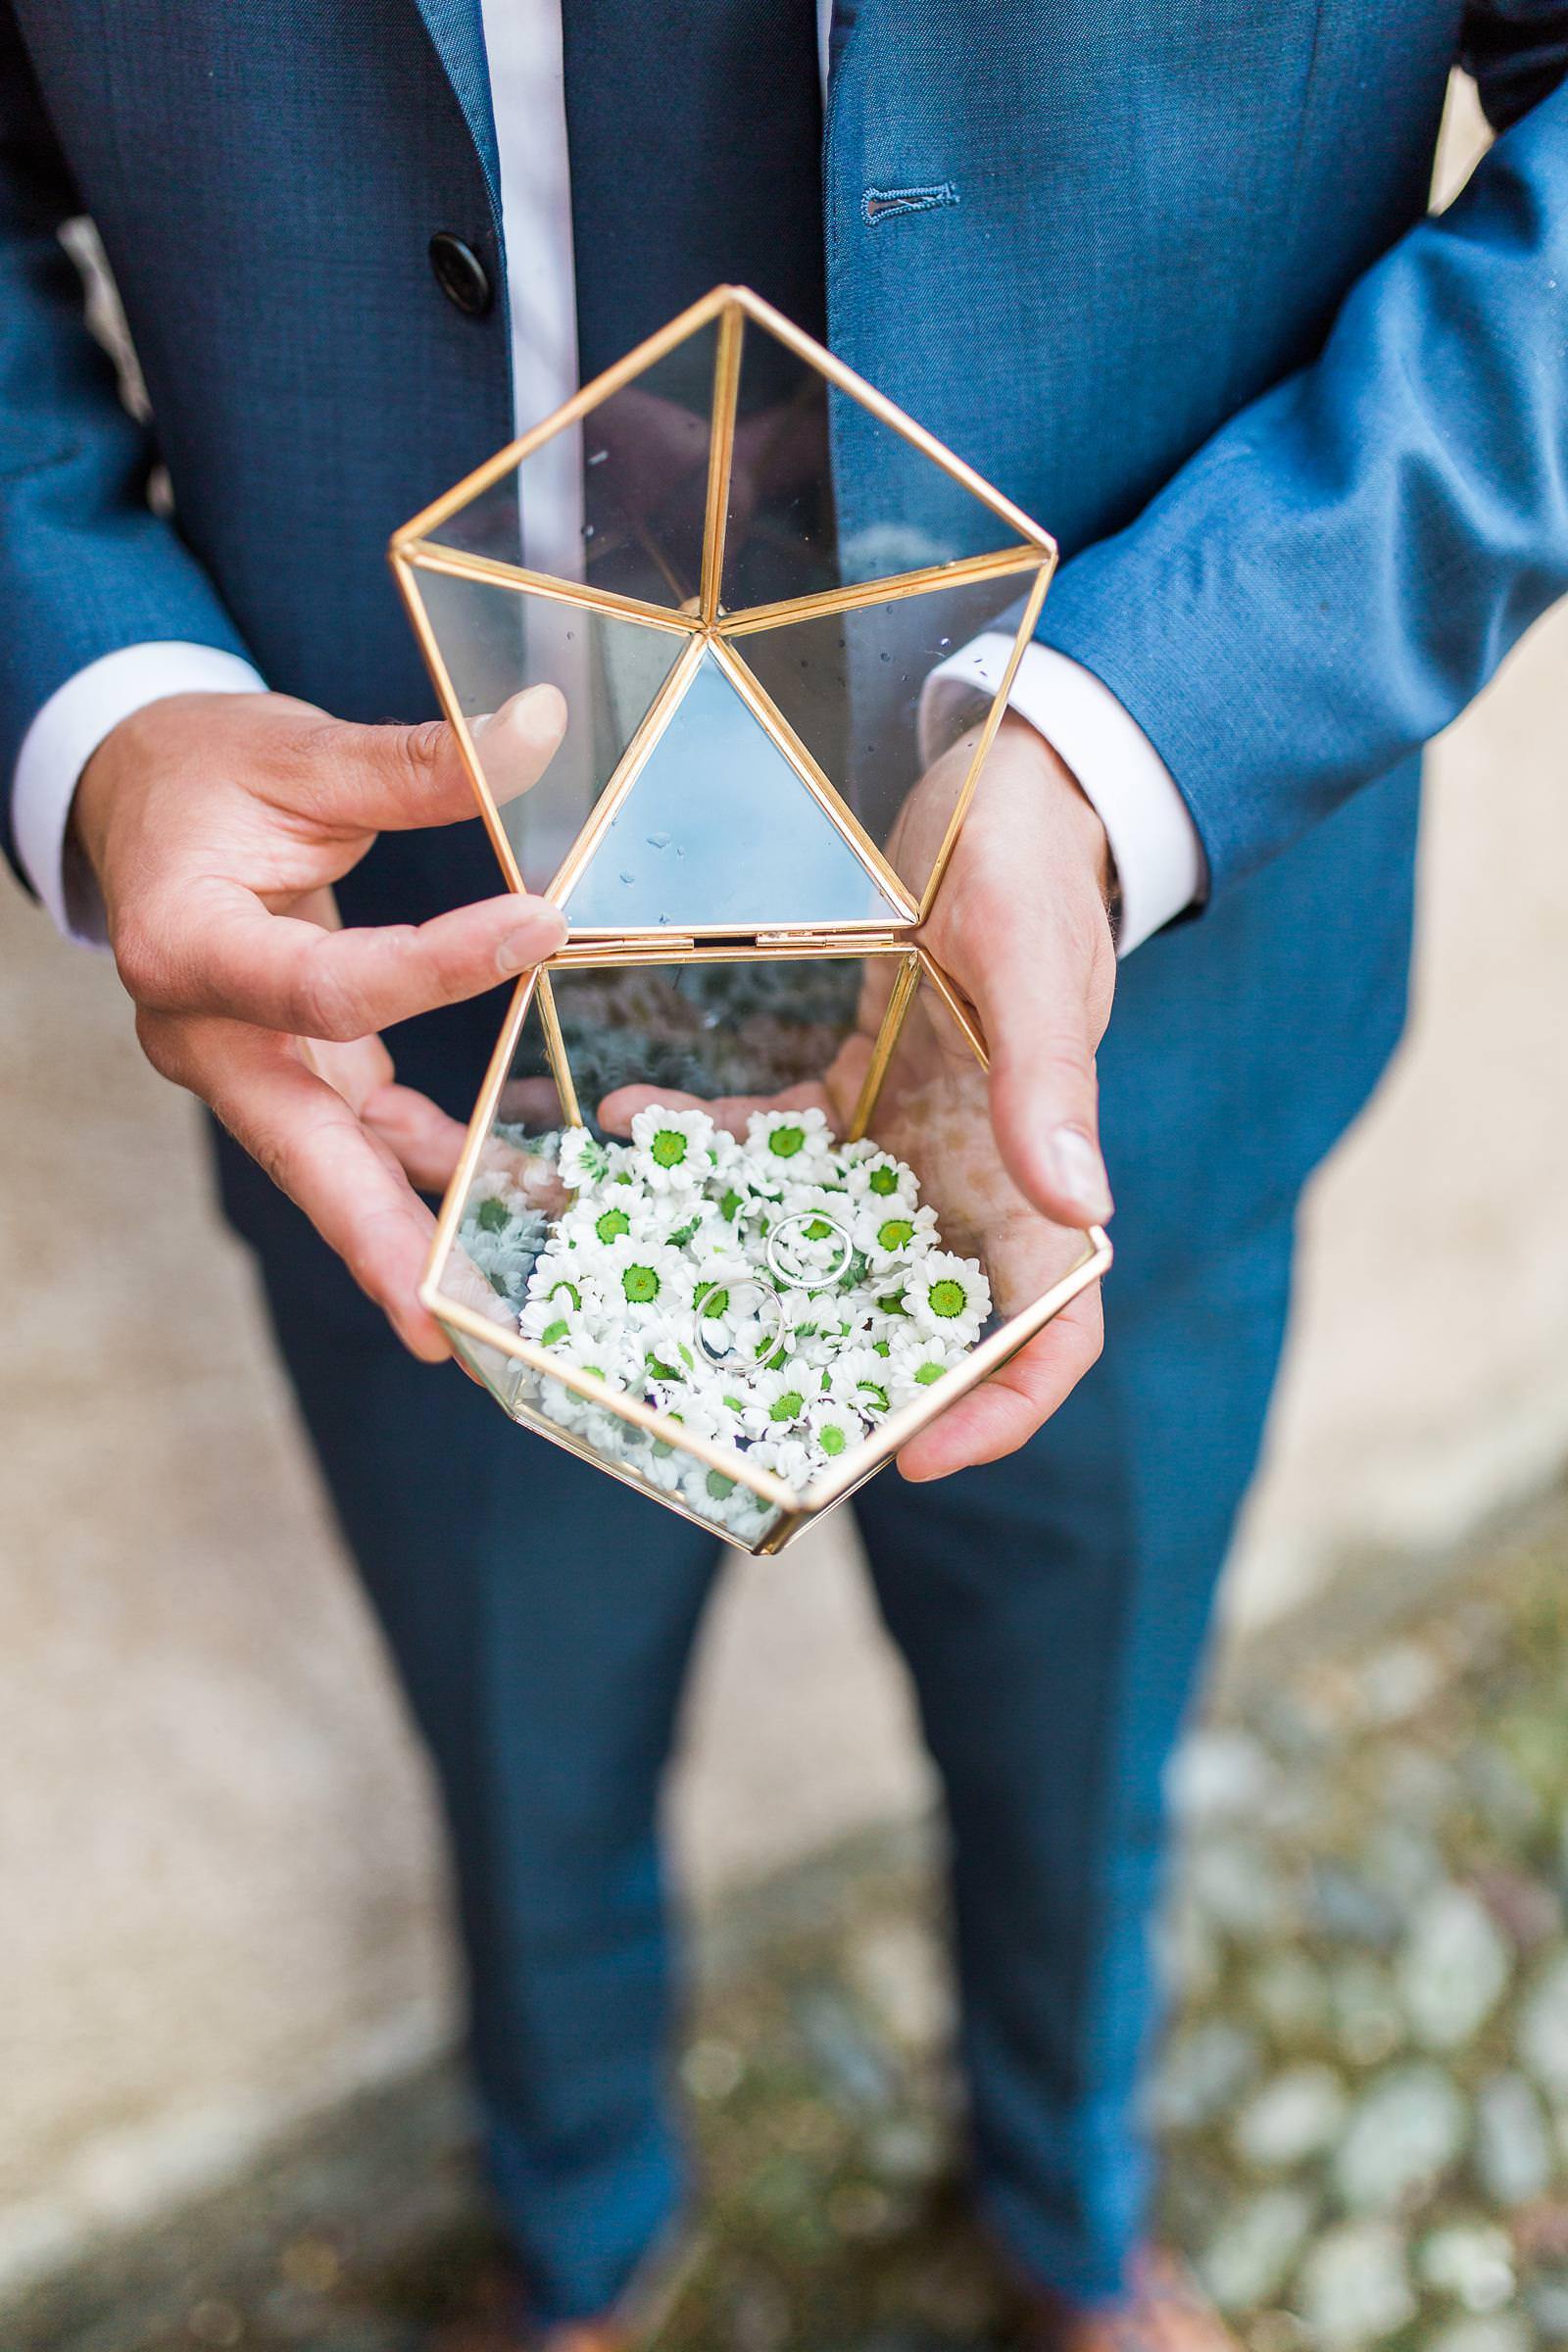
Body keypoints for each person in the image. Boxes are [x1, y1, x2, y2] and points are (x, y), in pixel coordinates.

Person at [3, 2, 1565, 2344]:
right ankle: (583, 2238)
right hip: (415, 1009)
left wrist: (1131, 740)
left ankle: (1067, 2217)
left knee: (1085, 1742)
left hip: (1136, 1004)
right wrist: (97, 707)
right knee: (524, 1775)